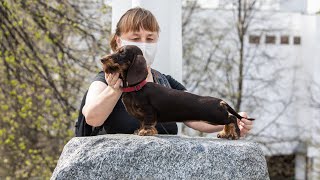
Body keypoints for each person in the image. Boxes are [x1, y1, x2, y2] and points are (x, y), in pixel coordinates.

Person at [80, 7, 253, 136]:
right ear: (118, 41)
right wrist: (114, 89)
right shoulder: (103, 80)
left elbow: (196, 114)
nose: (144, 44)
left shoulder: (165, 81)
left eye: (150, 38)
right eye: (135, 38)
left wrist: (232, 120)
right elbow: (92, 118)